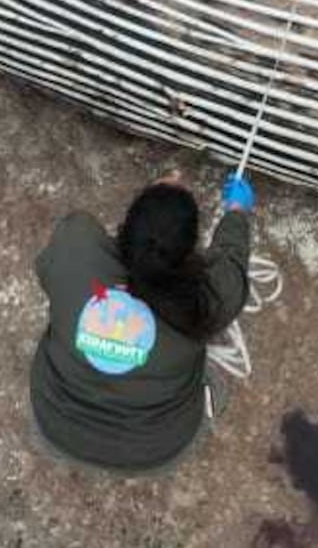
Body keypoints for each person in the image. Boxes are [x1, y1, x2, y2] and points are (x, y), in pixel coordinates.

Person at [28, 168, 256, 475]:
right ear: (190, 252)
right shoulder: (211, 295)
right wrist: (237, 213)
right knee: (205, 379)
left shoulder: (77, 245)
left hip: (57, 428)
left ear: (126, 228)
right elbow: (231, 261)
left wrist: (158, 196)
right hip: (155, 451)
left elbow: (48, 271)